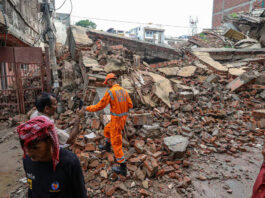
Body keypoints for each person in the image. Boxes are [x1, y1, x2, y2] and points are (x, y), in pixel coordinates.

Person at [17, 116, 87, 198]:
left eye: (35, 148)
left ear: (50, 141)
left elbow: (80, 193)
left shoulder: (69, 162)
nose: (29, 153)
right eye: (26, 148)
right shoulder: (27, 160)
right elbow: (32, 189)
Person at [84, 73, 133, 176]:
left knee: (117, 143)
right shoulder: (124, 91)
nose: (107, 85)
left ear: (110, 81)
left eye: (107, 83)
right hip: (122, 119)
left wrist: (87, 108)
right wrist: (121, 109)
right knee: (107, 129)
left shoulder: (111, 92)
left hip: (116, 121)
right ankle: (107, 146)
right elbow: (130, 105)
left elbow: (99, 106)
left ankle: (123, 167)